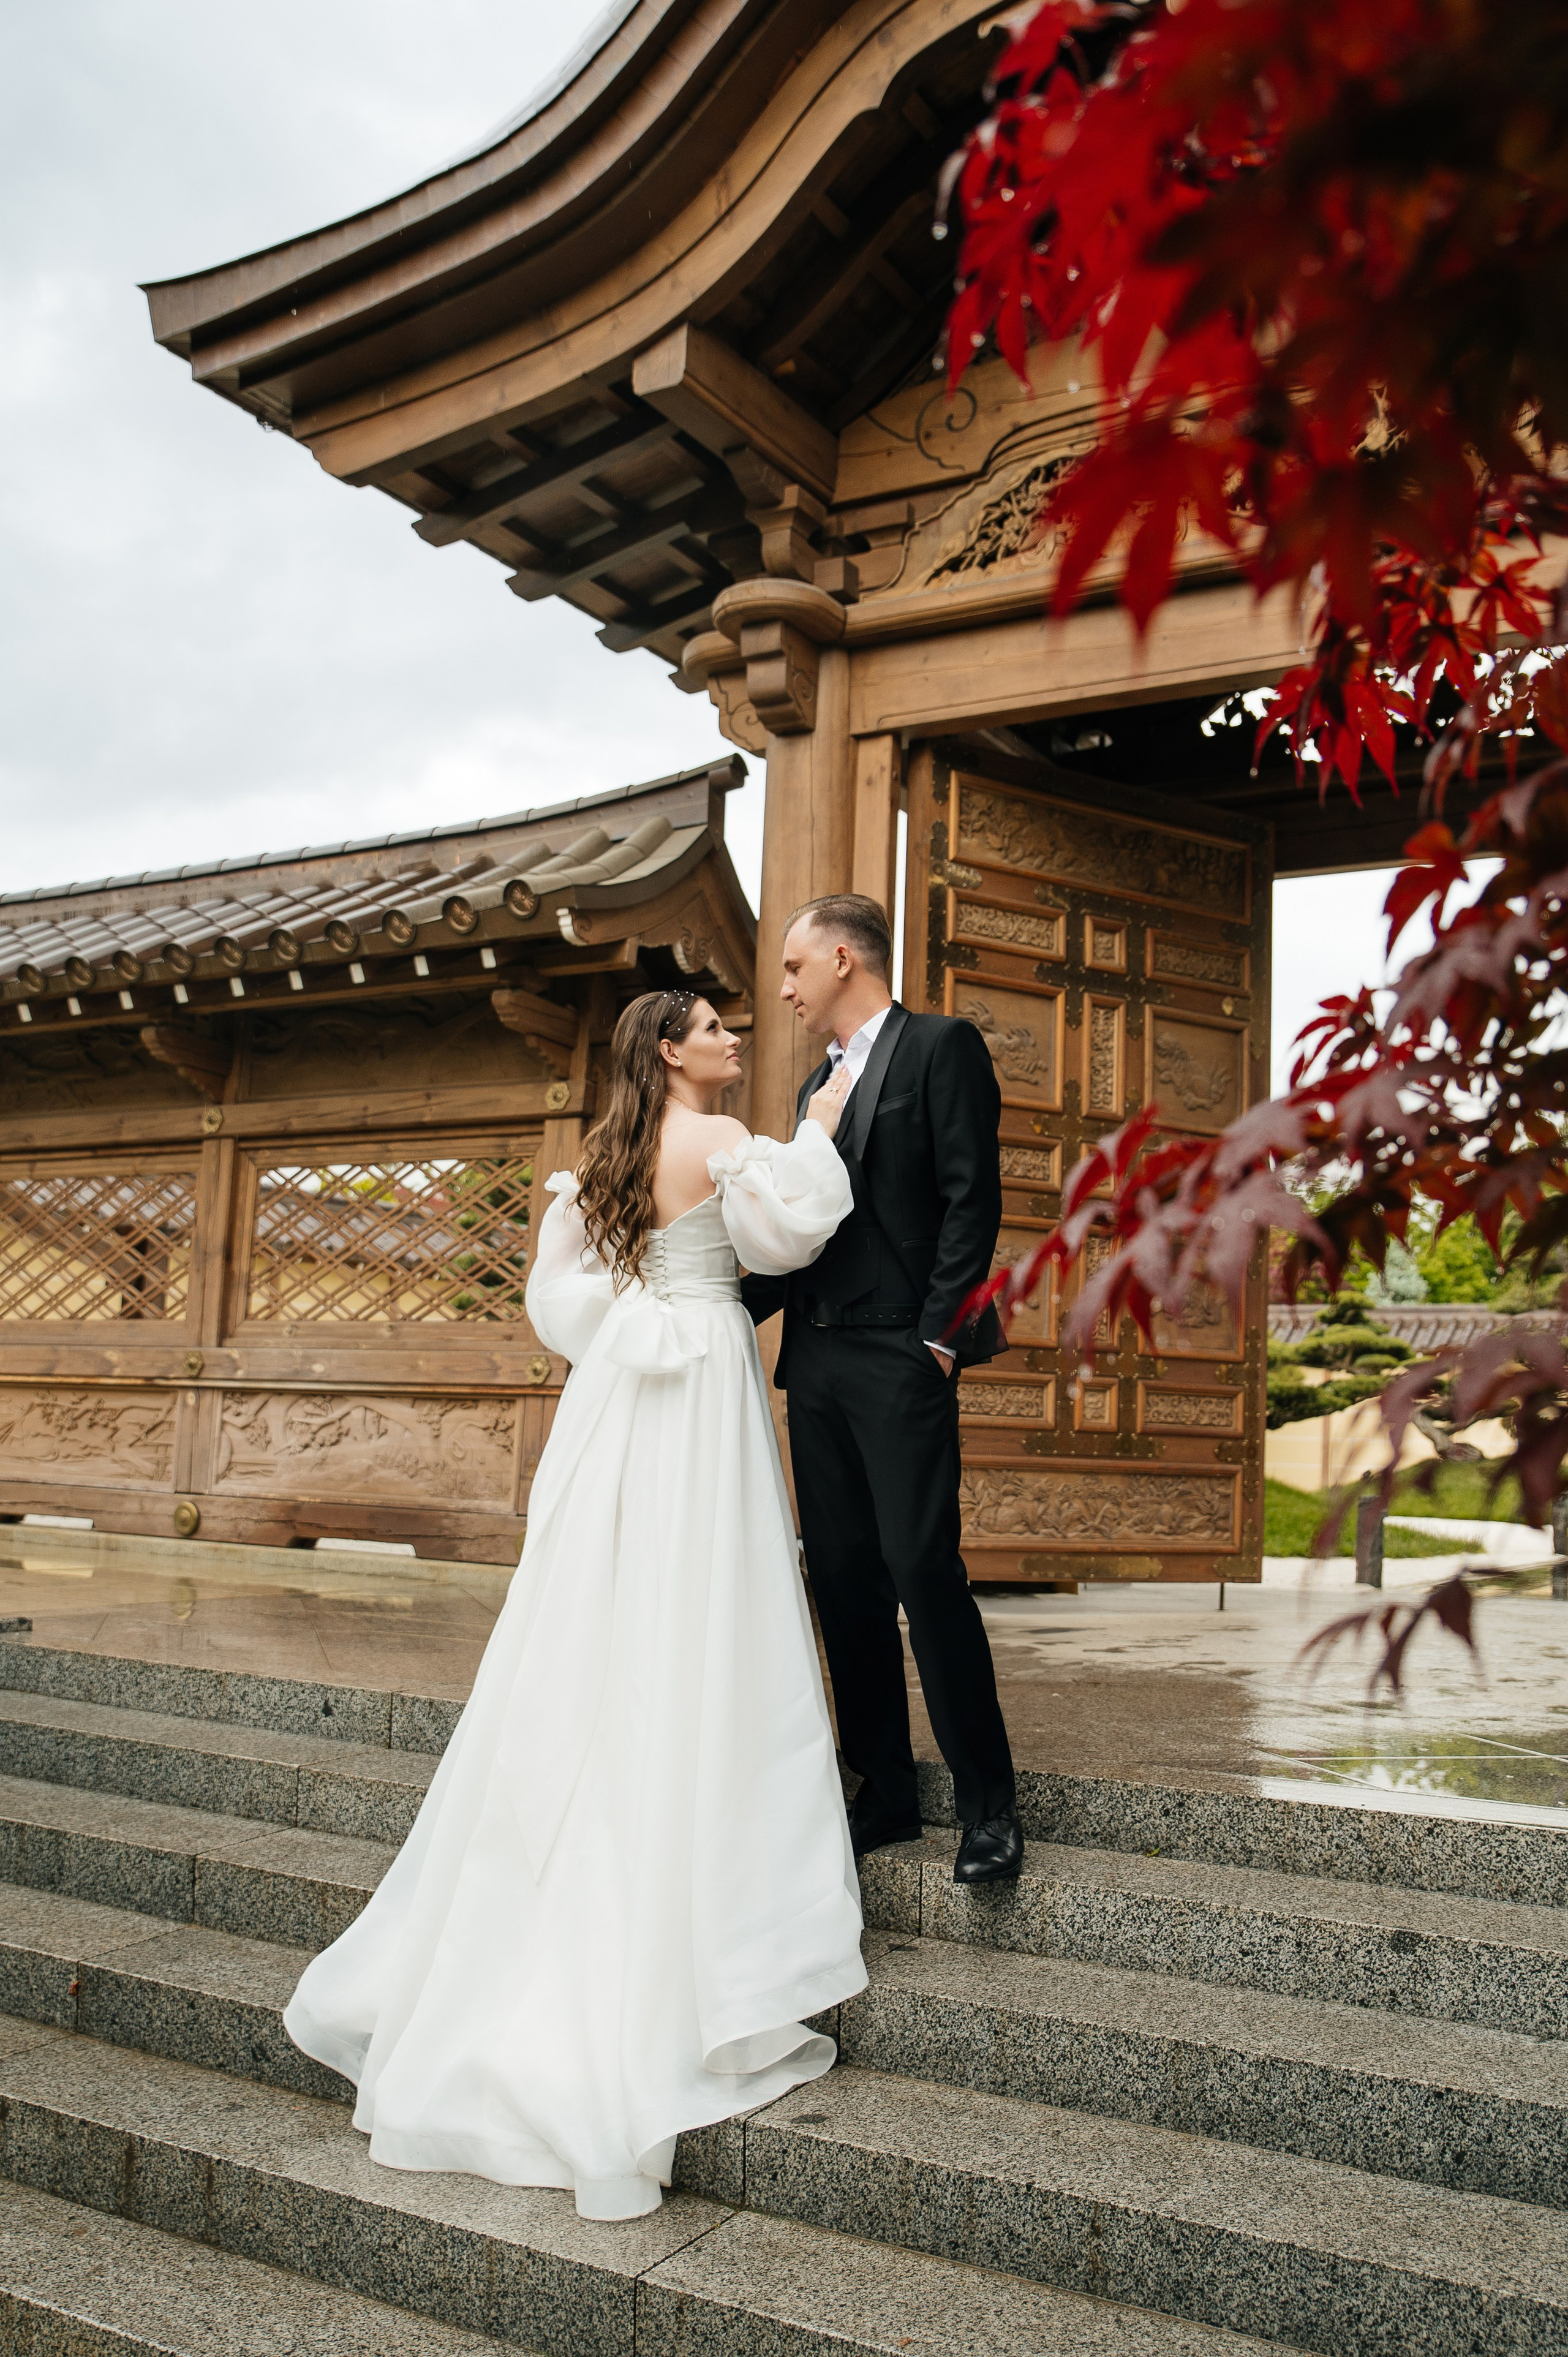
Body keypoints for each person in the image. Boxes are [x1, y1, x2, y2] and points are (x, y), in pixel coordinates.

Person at [284, 987, 867, 2222]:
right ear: (667, 1048)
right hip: (700, 1380)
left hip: (618, 1398)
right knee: (709, 1614)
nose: (726, 1039)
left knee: (600, 1613)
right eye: (708, 1027)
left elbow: (563, 1310)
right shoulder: (719, 1143)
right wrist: (817, 1119)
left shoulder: (599, 1158)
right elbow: (795, 1235)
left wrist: (637, 1314)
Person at [742, 894, 1022, 1885]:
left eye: (794, 967)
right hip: (814, 1363)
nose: (785, 988)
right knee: (843, 1579)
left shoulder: (943, 1047)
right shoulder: (818, 1082)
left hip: (902, 1358)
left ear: (846, 957)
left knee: (922, 1569)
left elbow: (969, 1198)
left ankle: (991, 1805)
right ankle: (886, 1794)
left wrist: (939, 1342)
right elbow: (800, 1229)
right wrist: (714, 1308)